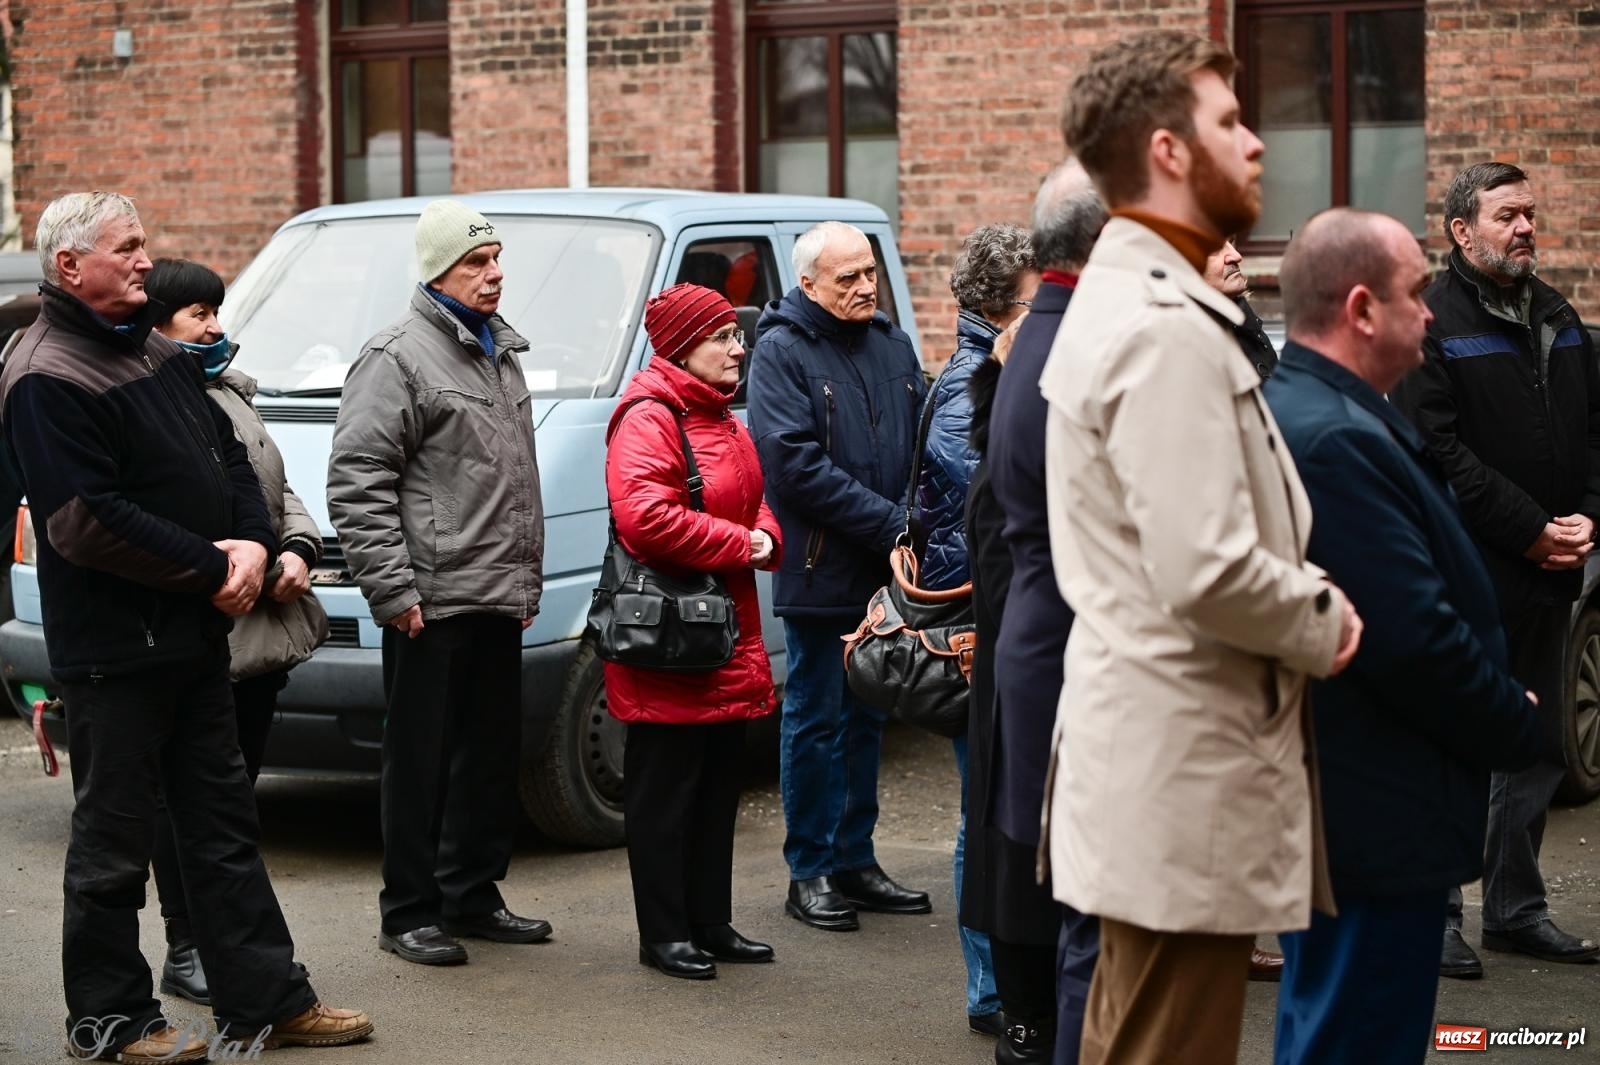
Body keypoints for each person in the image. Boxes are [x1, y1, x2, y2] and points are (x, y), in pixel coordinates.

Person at [1039, 32, 1363, 1064]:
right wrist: (1325, 619)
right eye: (1230, 122)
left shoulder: (1144, 298)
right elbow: (1207, 567)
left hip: (1161, 763)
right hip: (1181, 767)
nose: (1257, 145)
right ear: (1171, 152)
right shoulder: (1160, 323)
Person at [0, 191, 370, 1063]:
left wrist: (259, 541)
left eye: (143, 244)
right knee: (114, 844)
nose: (143, 259)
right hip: (117, 652)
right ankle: (111, 1019)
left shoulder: (156, 354)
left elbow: (230, 454)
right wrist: (217, 566)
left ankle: (266, 1000)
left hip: (195, 641)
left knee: (222, 828)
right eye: (126, 247)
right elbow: (84, 520)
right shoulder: (45, 372)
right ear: (69, 266)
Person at [1263, 207, 1541, 1064]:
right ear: (1360, 309)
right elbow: (1408, 635)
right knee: (1357, 1038)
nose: (1430, 313)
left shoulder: (1328, 409)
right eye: (1416, 294)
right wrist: (1514, 718)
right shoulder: (1335, 436)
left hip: (1355, 808)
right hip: (1372, 813)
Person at [1390, 162, 1600, 977]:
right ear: (1460, 231)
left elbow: (1593, 430)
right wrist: (1530, 530)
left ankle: (1516, 908)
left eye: (1530, 214)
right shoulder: (1429, 323)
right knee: (1455, 742)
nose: (1525, 227)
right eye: (1507, 214)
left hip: (1552, 569)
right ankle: (1436, 911)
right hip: (1472, 567)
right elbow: (1439, 452)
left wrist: (1587, 515)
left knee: (1538, 741)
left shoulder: (1559, 315)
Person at [328, 199, 551, 966]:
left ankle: (473, 893)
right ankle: (410, 910)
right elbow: (359, 481)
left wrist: (524, 582)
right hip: (430, 599)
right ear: (437, 272)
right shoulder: (396, 357)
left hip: (495, 592)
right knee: (421, 762)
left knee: (489, 755)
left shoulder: (499, 351)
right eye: (475, 264)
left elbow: (508, 478)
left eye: (495, 261)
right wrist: (394, 592)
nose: (494, 275)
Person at [142, 257, 330, 1006]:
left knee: (231, 802)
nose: (219, 326)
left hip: (260, 637)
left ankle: (223, 944)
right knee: (182, 802)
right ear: (158, 325)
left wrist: (297, 549)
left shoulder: (229, 395)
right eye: (199, 315)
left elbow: (278, 491)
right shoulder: (152, 401)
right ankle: (186, 943)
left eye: (217, 311)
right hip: (198, 630)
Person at [746, 220, 930, 932]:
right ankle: (811, 868)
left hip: (887, 570)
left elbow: (922, 446)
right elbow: (792, 466)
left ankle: (856, 857)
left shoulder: (891, 342)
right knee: (816, 718)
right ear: (809, 283)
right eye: (846, 277)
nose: (863, 286)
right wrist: (892, 523)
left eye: (869, 273)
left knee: (868, 718)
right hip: (824, 566)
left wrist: (912, 520)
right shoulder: (780, 352)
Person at [961, 158, 1105, 1065]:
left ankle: (1026, 1013)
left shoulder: (1033, 373)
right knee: (1014, 855)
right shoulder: (1010, 383)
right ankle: (1015, 1010)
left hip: (1026, 641)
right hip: (1028, 651)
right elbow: (989, 527)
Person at [603, 283, 783, 980]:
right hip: (672, 643)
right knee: (664, 794)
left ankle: (711, 919)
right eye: (722, 337)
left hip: (723, 635)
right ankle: (665, 932)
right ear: (682, 346)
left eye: (736, 335)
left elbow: (762, 495)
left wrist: (763, 532)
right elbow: (645, 517)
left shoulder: (722, 416)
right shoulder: (649, 417)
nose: (739, 347)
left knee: (714, 789)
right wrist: (745, 544)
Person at [916, 222, 1037, 1037]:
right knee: (980, 808)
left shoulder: (992, 372)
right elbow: (998, 497)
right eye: (1041, 297)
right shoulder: (973, 385)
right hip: (973, 624)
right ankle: (990, 983)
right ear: (1004, 307)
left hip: (987, 620)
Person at [1202, 237, 1278, 380]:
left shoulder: (1246, 324)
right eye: (1216, 247)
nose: (1236, 256)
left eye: (1231, 242)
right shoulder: (1187, 344)